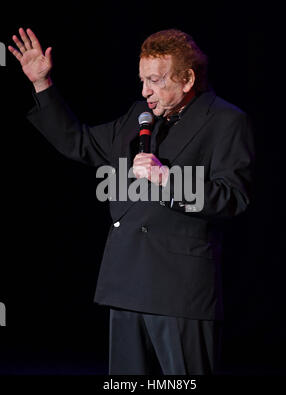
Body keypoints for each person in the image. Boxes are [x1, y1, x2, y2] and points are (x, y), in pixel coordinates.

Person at [9, 28, 254, 375]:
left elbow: (233, 198)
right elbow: (78, 142)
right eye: (142, 80)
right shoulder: (139, 116)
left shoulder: (227, 121)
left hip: (179, 291)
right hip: (125, 283)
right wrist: (42, 85)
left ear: (187, 79)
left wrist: (167, 179)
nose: (145, 91)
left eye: (154, 80)